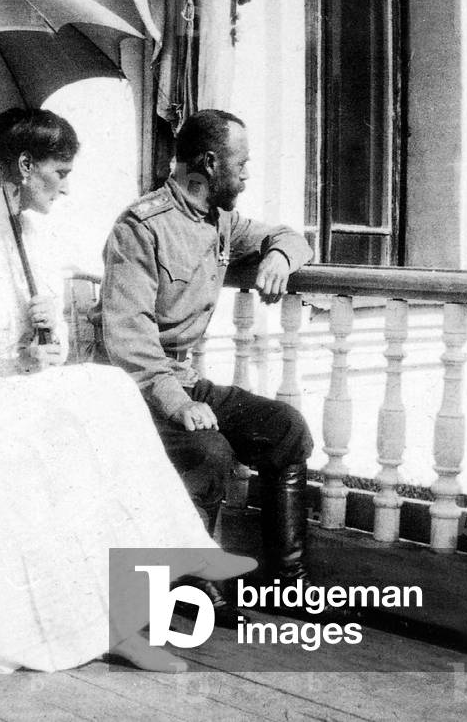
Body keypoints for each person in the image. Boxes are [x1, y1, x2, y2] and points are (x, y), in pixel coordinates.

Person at [0, 107, 255, 675]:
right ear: (23, 166)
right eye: (59, 173)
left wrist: (45, 342)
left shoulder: (32, 235)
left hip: (8, 399)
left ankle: (134, 608)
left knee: (104, 402)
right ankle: (137, 600)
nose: (67, 187)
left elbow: (49, 353)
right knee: (86, 426)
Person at [95, 108, 315, 622]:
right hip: (138, 390)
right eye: (242, 164)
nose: (247, 174)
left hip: (185, 379)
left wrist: (279, 257)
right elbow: (129, 342)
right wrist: (179, 405)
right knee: (209, 451)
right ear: (211, 163)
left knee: (284, 428)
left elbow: (289, 235)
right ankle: (191, 583)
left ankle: (289, 582)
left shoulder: (220, 220)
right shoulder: (140, 228)